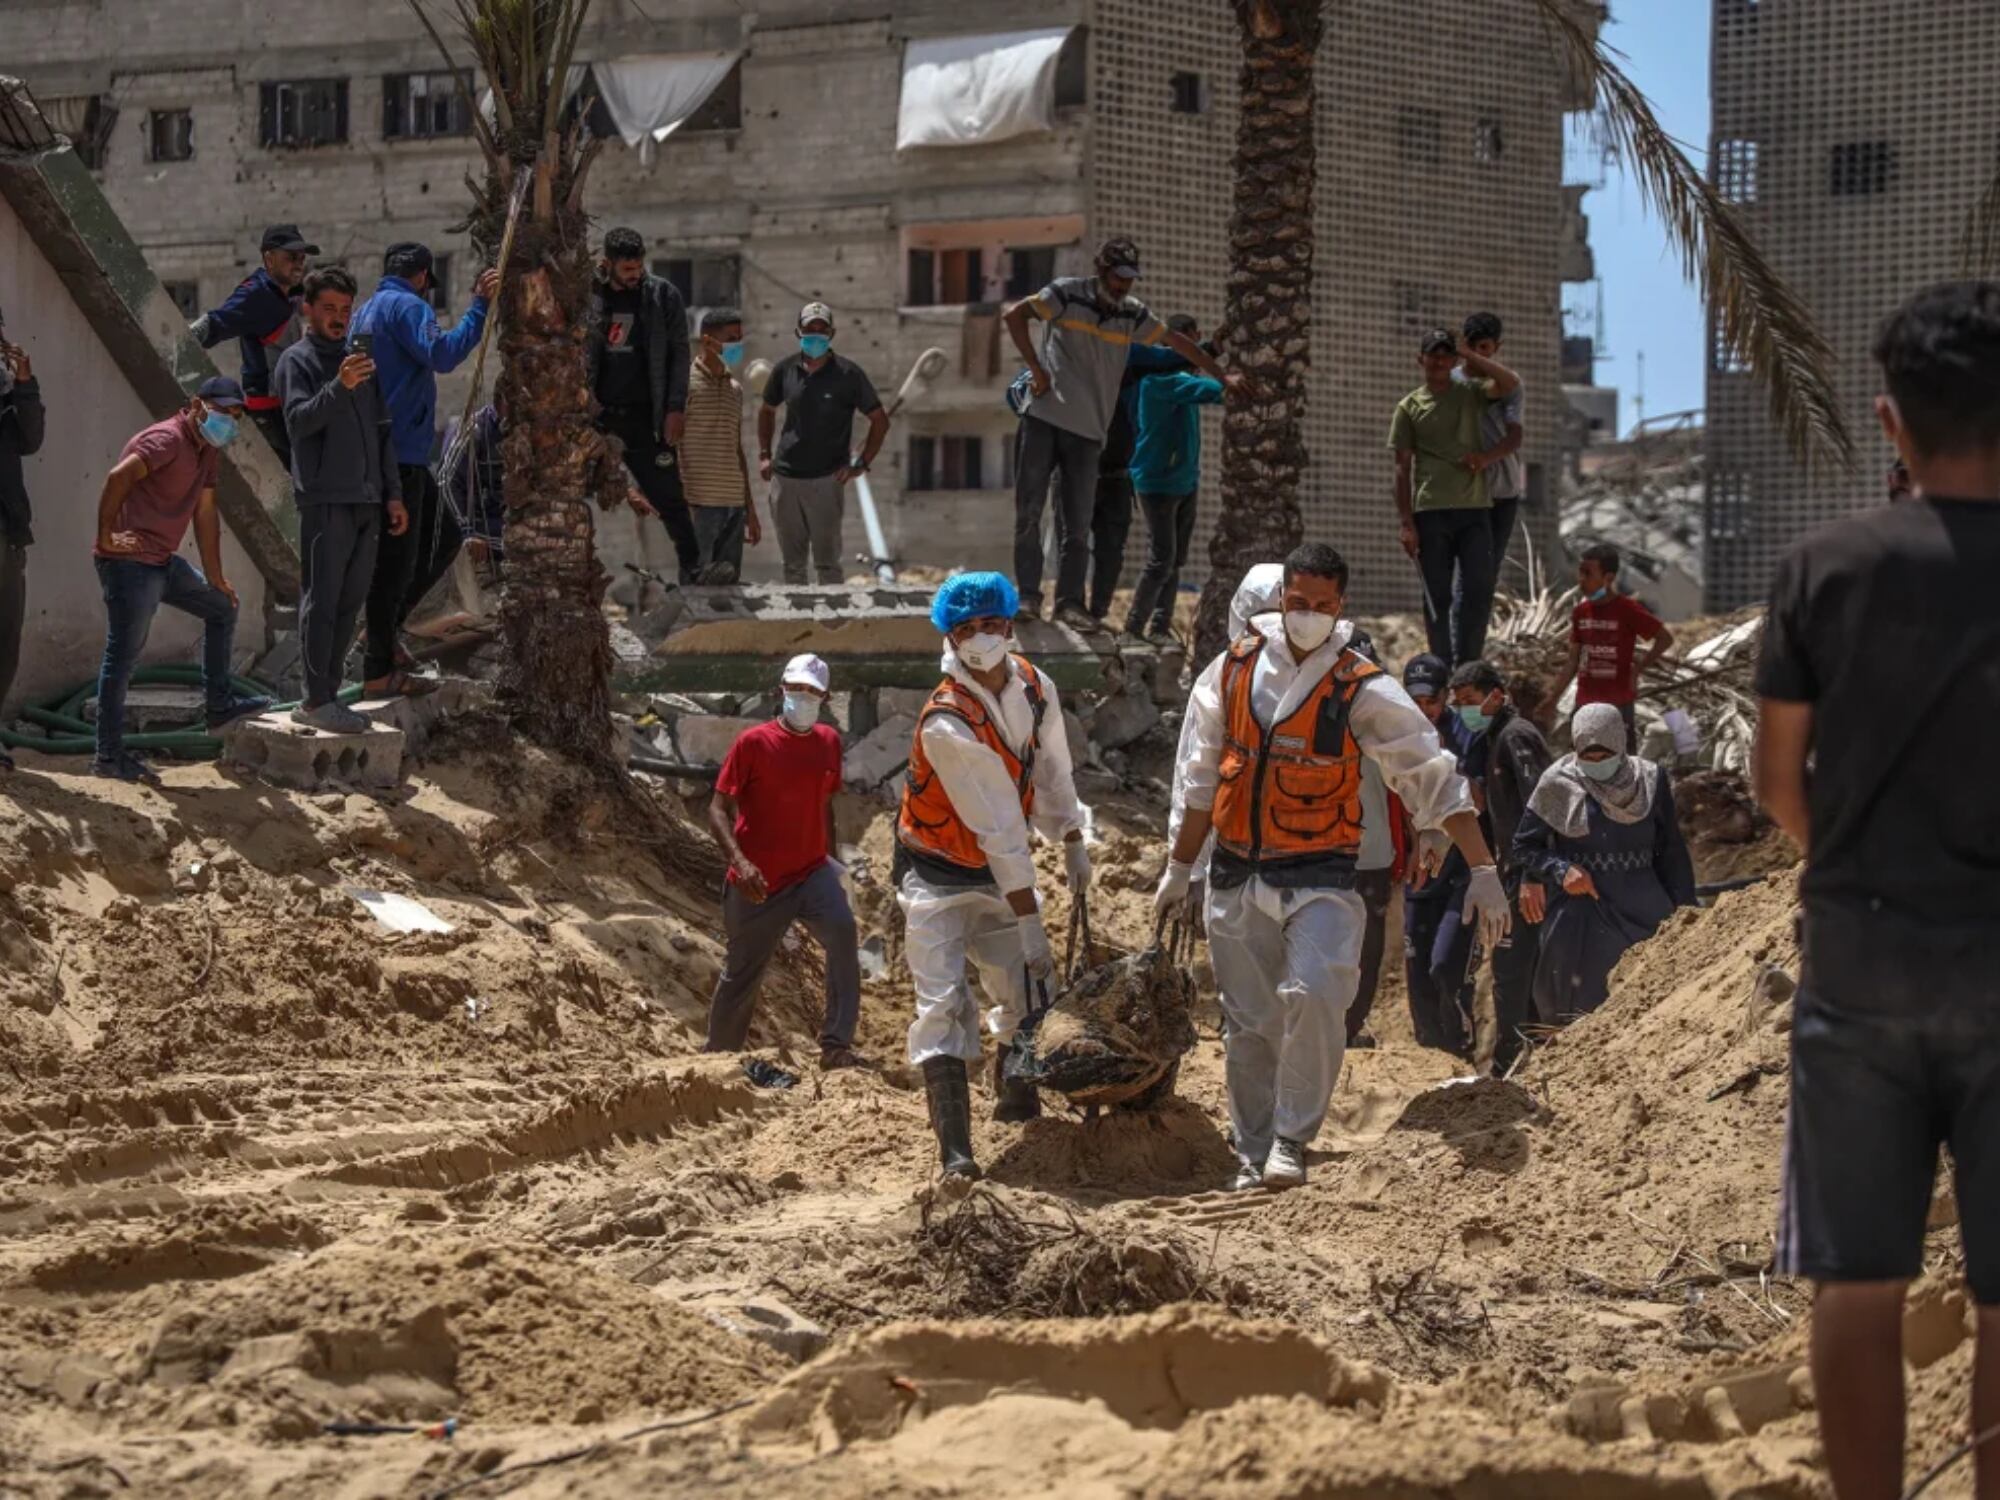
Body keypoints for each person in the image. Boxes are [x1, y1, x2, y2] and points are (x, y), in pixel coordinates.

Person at [1753, 280, 2000, 1500]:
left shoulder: (1821, 569)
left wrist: (1851, 878)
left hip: (1858, 961)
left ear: (1888, 421)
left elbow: (1777, 780)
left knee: (1855, 1284)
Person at [1160, 543, 1509, 1192]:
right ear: (1282, 600)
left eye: (1323, 606)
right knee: (1249, 1025)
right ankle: (1251, 1148)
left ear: (1340, 607)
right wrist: (1181, 866)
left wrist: (1483, 867)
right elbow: (1200, 776)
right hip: (1236, 874)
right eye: (1298, 604)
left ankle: (1292, 1137)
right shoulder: (1231, 673)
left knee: (1318, 995)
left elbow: (1428, 773)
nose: (1308, 616)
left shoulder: (1358, 684)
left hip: (1320, 874)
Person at [896, 571, 1090, 1179]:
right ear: (950, 639)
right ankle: (956, 1150)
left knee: (1022, 987)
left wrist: (1074, 836)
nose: (982, 637)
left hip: (995, 870)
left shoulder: (1033, 687)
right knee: (943, 1001)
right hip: (938, 873)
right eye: (968, 629)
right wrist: (1031, 919)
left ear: (1010, 625)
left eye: (992, 624)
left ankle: (1016, 1097)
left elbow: (1052, 768)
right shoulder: (947, 723)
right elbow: (1000, 826)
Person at [1004, 237, 1245, 629]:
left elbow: (1176, 346)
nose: (1124, 287)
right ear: (1101, 270)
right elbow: (1015, 315)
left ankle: (1069, 604)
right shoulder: (1066, 294)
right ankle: (1028, 598)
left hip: (1087, 435)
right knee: (1029, 514)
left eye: (1130, 280)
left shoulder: (1131, 315)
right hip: (1045, 420)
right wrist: (1037, 368)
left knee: (1079, 528)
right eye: (1118, 278)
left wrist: (1222, 372)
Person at [89, 378, 272, 781]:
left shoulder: (205, 451)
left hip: (162, 562)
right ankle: (107, 757)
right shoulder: (167, 440)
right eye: (223, 412)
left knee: (222, 607)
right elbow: (118, 478)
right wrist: (106, 537)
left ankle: (219, 707)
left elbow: (205, 515)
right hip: (129, 564)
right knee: (123, 658)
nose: (229, 422)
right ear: (196, 405)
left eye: (236, 416)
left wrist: (216, 577)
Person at [348, 241, 497, 697]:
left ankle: (384, 634)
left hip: (384, 452)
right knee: (396, 565)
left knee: (443, 538)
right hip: (402, 458)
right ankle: (378, 664)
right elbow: (444, 355)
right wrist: (480, 307)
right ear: (422, 277)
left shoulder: (366, 312)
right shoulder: (408, 306)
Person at [704, 654, 867, 1071]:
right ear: (781, 691)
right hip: (758, 882)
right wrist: (740, 862)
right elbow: (718, 809)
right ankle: (719, 1060)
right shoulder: (753, 743)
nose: (803, 697)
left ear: (825, 698)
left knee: (844, 936)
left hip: (811, 872)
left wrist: (832, 860)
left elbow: (825, 802)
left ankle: (836, 1045)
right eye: (796, 689)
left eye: (812, 692)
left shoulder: (829, 741)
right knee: (743, 970)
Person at [272, 267, 407, 733]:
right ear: (307, 310)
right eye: (329, 309)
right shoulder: (297, 361)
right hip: (325, 500)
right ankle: (315, 700)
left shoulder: (362, 364)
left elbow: (383, 433)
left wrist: (392, 494)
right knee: (322, 600)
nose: (338, 318)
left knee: (350, 604)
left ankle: (330, 696)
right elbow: (299, 423)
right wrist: (339, 387)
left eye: (346, 310)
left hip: (367, 499)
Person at [1512, 703, 1694, 1021]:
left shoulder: (1650, 780)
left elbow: (1671, 852)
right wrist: (1561, 869)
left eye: (1604, 756)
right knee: (1575, 1013)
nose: (1595, 764)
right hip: (1582, 916)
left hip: (1644, 911)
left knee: (1651, 1006)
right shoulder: (1558, 783)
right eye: (1588, 757)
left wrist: (1687, 913)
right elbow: (1525, 845)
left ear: (1620, 745)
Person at [1390, 327, 1521, 666]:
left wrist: (1469, 354)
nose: (1438, 360)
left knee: (1479, 588)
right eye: (1432, 354)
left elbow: (1510, 384)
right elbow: (1402, 469)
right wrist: (1407, 524)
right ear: (1421, 359)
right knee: (1437, 594)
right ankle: (1440, 666)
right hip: (1431, 510)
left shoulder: (1470, 393)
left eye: (1445, 354)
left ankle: (1468, 665)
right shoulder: (1408, 406)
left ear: (1453, 360)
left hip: (1475, 509)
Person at [1449, 659, 1553, 1074]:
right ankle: (1523, 1059)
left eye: (1469, 701)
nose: (1463, 710)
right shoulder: (1492, 738)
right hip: (1512, 872)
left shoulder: (1516, 737)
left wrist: (1533, 874)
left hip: (1529, 876)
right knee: (1516, 970)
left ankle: (1508, 1066)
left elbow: (1540, 805)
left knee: (1513, 970)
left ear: (1496, 695)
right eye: (1457, 703)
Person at [756, 302, 889, 586]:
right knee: (792, 565)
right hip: (786, 479)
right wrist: (765, 455)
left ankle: (832, 627)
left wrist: (861, 463)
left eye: (821, 329)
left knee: (827, 564)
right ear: (798, 331)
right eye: (809, 329)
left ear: (832, 333)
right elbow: (766, 411)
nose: (815, 334)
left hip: (827, 481)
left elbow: (879, 420)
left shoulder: (848, 374)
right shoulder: (785, 370)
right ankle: (798, 626)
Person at [589, 228, 695, 581]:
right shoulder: (591, 296)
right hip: (600, 418)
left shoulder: (662, 295)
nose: (635, 276)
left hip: (648, 417)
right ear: (608, 265)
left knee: (669, 498)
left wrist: (675, 408)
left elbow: (680, 354)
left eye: (638, 268)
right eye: (627, 270)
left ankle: (693, 571)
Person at [1124, 315, 1225, 642]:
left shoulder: (1178, 376)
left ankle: (1159, 627)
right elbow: (1209, 390)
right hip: (1159, 483)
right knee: (1161, 560)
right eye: (1193, 344)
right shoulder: (1161, 380)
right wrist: (1233, 382)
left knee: (1174, 560)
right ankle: (1134, 629)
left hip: (1183, 481)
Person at [189, 224, 317, 468]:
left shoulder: (287, 291)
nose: (299, 263)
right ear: (269, 258)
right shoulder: (256, 293)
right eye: (291, 257)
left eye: (302, 257)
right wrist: (177, 346)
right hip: (268, 412)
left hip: (288, 404)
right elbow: (214, 323)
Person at [1399, 653, 1475, 1054]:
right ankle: (1428, 1052)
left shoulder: (1464, 738)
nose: (1424, 710)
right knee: (1417, 971)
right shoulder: (1394, 736)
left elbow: (1473, 803)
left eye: (1431, 701)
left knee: (1446, 965)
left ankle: (1459, 1046)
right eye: (1416, 702)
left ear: (1445, 698)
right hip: (1418, 874)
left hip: (1459, 873)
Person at [1553, 542, 1674, 749]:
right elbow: (1572, 661)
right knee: (1581, 763)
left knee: (1623, 763)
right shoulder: (1581, 613)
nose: (1581, 580)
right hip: (1585, 704)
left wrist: (1637, 670)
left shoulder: (1627, 610)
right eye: (1580, 573)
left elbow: (1665, 639)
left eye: (1588, 574)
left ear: (1608, 578)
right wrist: (1552, 698)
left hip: (1618, 704)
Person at [681, 307, 761, 584]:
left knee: (727, 588)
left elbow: (736, 450)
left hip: (733, 504)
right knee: (696, 585)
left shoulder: (735, 389)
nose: (736, 345)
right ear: (707, 341)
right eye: (730, 339)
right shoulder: (684, 385)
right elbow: (671, 443)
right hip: (700, 503)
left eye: (739, 338)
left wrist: (749, 509)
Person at [0, 316, 43, 772]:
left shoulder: (9, 399)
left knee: (6, 638)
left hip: (6, 532)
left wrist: (26, 386)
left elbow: (31, 441)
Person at [1461, 313, 1527, 574]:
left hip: (1502, 491)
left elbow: (1514, 437)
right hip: (1466, 493)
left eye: (1486, 348)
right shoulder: (1453, 383)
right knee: (1467, 565)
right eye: (1475, 347)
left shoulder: (1507, 384)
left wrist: (1486, 459)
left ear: (1497, 347)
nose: (1481, 354)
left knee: (1489, 567)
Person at [442, 399, 504, 574]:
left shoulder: (533, 431)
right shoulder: (472, 430)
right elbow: (448, 482)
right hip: (480, 534)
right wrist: (466, 532)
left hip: (517, 534)